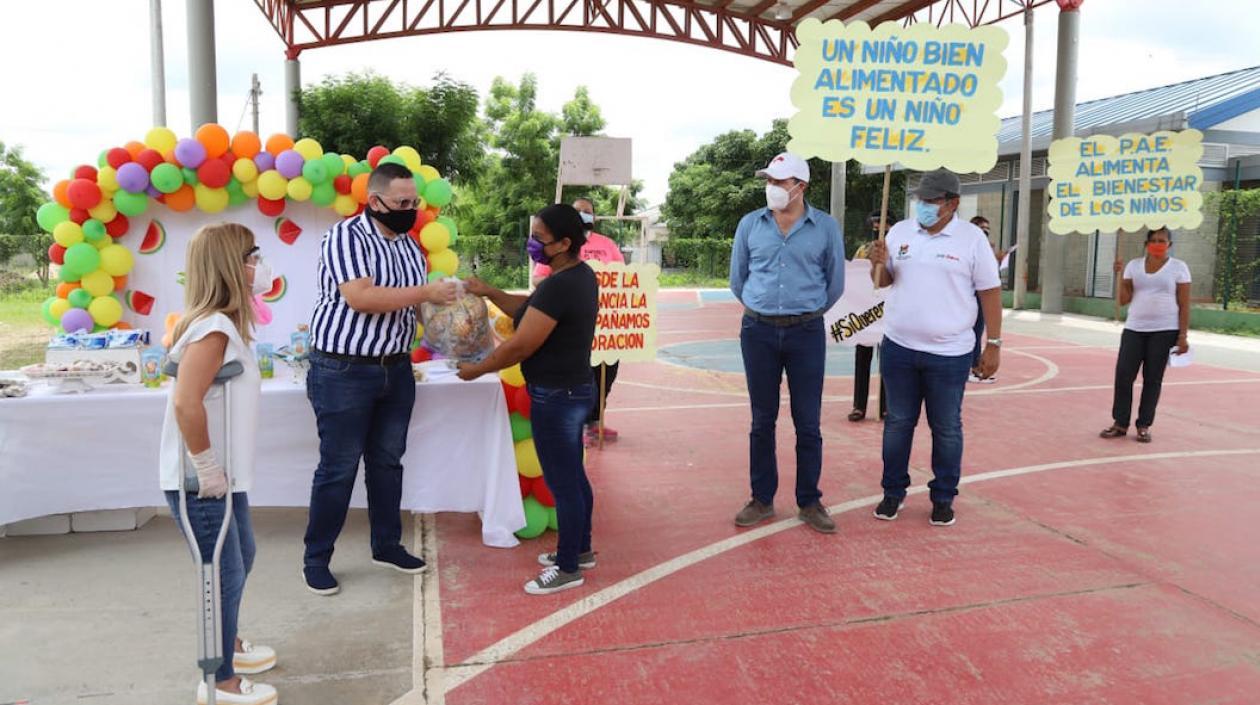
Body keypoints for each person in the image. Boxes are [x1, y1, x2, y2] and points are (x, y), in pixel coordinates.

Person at [302, 162, 457, 596]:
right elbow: (361, 297)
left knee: (387, 463)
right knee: (339, 467)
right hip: (343, 369)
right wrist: (426, 293)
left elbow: (418, 307)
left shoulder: (409, 246)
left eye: (414, 202)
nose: (409, 210)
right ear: (375, 201)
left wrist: (457, 335)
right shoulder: (345, 237)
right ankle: (316, 558)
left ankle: (386, 545)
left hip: (396, 368)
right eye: (401, 203)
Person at [159, 223, 277, 705]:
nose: (259, 263)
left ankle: (227, 643)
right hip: (202, 482)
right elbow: (188, 402)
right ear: (232, 264)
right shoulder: (212, 328)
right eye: (251, 255)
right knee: (220, 572)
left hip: (224, 478)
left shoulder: (223, 324)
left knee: (239, 558)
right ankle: (220, 680)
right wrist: (206, 468)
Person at [457, 204, 600, 595]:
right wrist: (489, 291)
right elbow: (530, 311)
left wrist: (477, 369)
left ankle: (569, 566)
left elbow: (520, 345)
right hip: (572, 389)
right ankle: (581, 549)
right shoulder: (577, 277)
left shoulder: (560, 285)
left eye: (540, 237)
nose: (532, 242)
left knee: (563, 482)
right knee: (573, 476)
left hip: (556, 396)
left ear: (565, 243)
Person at [866, 169, 1002, 527]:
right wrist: (876, 262)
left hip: (950, 352)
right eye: (920, 200)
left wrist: (995, 344)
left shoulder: (971, 239)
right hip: (899, 347)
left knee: (946, 427)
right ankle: (892, 493)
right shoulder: (899, 231)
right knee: (897, 423)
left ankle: (943, 496)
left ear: (952, 203)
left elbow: (990, 291)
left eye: (931, 201)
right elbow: (883, 282)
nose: (923, 207)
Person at [729, 152, 846, 534]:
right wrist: (763, 309)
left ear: (801, 186)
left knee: (808, 422)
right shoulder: (750, 224)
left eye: (780, 182)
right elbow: (738, 279)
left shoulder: (825, 227)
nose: (773, 188)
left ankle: (809, 501)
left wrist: (804, 312)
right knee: (762, 419)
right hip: (758, 331)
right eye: (770, 181)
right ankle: (762, 498)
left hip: (806, 333)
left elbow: (835, 283)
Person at [532, 197, 625, 445]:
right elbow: (538, 280)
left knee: (607, 370)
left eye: (588, 212)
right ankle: (577, 423)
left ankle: (595, 420)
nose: (584, 216)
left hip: (607, 322)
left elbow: (623, 278)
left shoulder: (608, 244)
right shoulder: (561, 245)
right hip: (573, 322)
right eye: (579, 212)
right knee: (581, 373)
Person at [1100, 227, 1190, 444]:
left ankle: (1144, 425)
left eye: (1162, 240)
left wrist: (1182, 336)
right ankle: (1120, 422)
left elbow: (1184, 303)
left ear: (1169, 244)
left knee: (1152, 379)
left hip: (1164, 330)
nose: (1158, 244)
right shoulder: (1133, 265)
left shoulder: (1179, 268)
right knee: (1124, 375)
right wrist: (1119, 276)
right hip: (1134, 328)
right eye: (1154, 240)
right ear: (1146, 243)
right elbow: (1123, 300)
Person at [850, 210, 886, 422]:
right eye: (874, 224)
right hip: (865, 311)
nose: (877, 228)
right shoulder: (863, 250)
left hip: (889, 312)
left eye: (881, 225)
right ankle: (859, 406)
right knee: (862, 358)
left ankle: (885, 407)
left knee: (888, 361)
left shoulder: (896, 250)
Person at [967, 215, 1005, 384]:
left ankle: (975, 365)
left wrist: (996, 260)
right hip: (971, 296)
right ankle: (972, 366)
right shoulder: (967, 246)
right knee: (972, 331)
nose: (985, 233)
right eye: (982, 229)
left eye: (987, 231)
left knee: (979, 330)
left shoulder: (986, 249)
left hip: (982, 296)